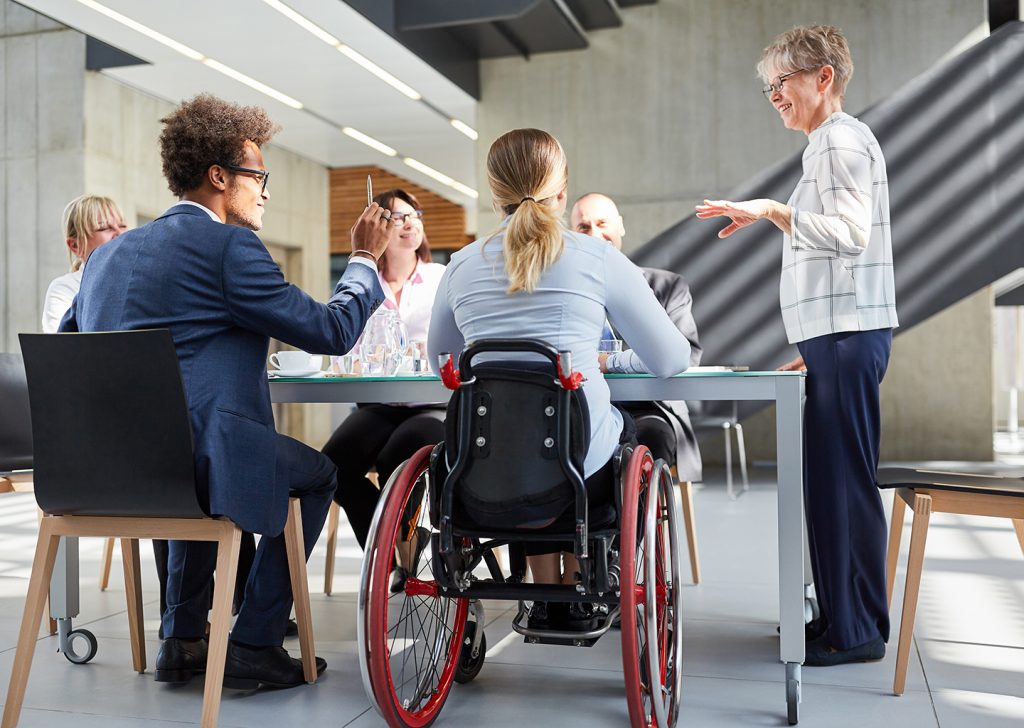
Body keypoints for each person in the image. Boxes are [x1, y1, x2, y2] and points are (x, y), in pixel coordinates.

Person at [60, 93, 393, 689]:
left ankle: (183, 639)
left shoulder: (105, 259)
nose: (265, 190)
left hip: (109, 471)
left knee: (195, 456)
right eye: (257, 175)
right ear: (219, 177)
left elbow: (70, 349)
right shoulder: (229, 248)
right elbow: (331, 330)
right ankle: (255, 639)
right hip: (198, 464)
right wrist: (364, 259)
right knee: (320, 474)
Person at [428, 128, 691, 630]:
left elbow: (443, 358)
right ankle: (589, 572)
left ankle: (546, 589)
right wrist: (605, 360)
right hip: (578, 473)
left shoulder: (460, 266)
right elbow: (672, 359)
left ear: (494, 193)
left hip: (483, 469)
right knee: (627, 436)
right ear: (562, 191)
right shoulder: (597, 258)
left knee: (525, 435)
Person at [696, 25, 898, 666]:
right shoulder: (829, 143)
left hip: (847, 337)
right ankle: (842, 616)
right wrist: (814, 344)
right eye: (769, 86)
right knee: (830, 481)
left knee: (842, 484)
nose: (774, 94)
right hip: (834, 338)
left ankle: (856, 631)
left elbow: (849, 234)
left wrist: (772, 211)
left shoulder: (837, 138)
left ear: (823, 78)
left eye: (782, 81)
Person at [323, 188, 447, 549]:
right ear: (378, 228)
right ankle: (389, 552)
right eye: (398, 217)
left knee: (395, 458)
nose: (410, 223)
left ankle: (393, 550)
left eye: (415, 216)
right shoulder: (362, 282)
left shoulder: (441, 279)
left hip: (432, 404)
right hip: (378, 404)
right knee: (331, 468)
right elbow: (345, 342)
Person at [570, 192, 703, 483]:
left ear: (620, 226)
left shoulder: (667, 286)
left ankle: (633, 527)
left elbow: (687, 354)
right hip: (582, 405)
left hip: (649, 406)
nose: (594, 233)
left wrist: (610, 362)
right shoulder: (569, 292)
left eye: (602, 223)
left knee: (649, 436)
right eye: (583, 227)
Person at [42, 195, 127, 333]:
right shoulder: (64, 289)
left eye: (123, 226)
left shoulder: (137, 280)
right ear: (75, 245)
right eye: (104, 228)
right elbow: (61, 348)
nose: (120, 233)